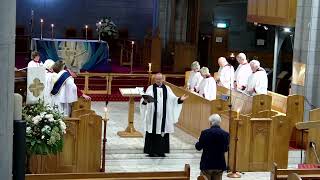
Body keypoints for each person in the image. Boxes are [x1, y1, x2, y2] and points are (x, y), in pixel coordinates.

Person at [140, 73, 188, 157]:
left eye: (160, 79)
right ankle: (152, 151)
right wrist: (145, 101)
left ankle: (161, 151)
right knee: (153, 131)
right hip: (153, 116)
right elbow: (144, 100)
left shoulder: (167, 88)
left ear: (163, 79)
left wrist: (180, 99)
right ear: (155, 80)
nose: (158, 81)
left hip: (164, 116)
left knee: (163, 132)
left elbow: (173, 99)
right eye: (157, 79)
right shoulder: (150, 88)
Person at [195, 114, 229, 180]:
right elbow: (225, 149)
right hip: (219, 165)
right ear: (219, 122)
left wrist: (199, 141)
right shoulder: (226, 134)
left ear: (210, 122)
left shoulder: (205, 133)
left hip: (207, 164)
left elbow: (198, 147)